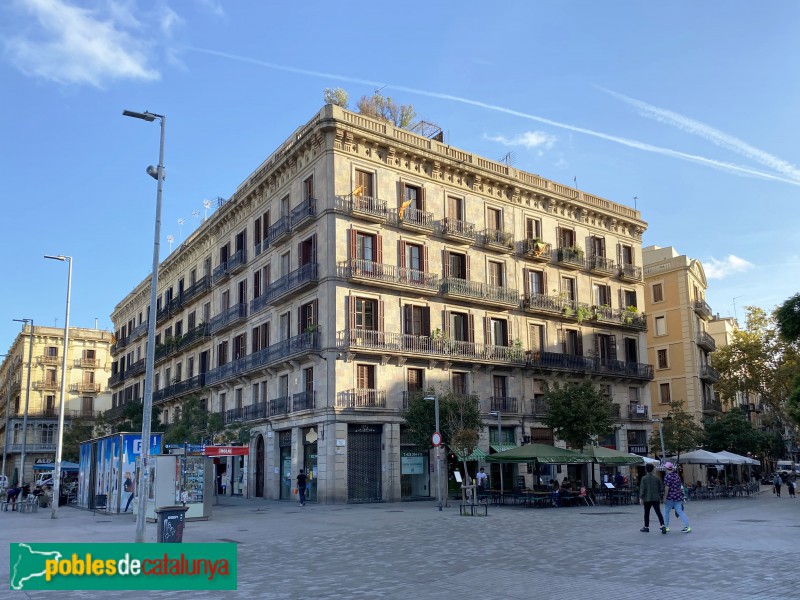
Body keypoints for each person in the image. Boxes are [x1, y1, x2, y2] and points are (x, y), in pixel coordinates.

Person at [662, 462, 691, 533]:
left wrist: (665, 497)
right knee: (680, 512)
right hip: (678, 497)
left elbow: (667, 487)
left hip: (670, 497)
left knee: (666, 511)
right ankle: (687, 526)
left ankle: (666, 527)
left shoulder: (667, 476)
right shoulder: (677, 476)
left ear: (666, 468)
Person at [638, 463, 665, 533]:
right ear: (653, 469)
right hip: (656, 498)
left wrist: (641, 497)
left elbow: (642, 489)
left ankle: (646, 527)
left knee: (646, 513)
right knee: (658, 512)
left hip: (647, 498)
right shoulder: (657, 478)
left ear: (646, 469)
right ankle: (662, 525)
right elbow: (660, 488)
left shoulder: (643, 478)